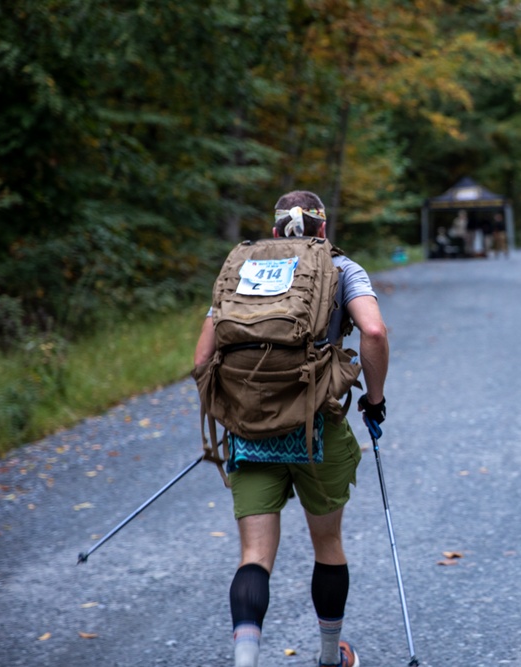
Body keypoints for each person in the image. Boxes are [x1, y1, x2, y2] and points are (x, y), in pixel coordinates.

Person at [193, 190, 389, 667]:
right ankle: (329, 657)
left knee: (254, 554)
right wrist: (375, 400)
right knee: (328, 542)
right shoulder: (342, 269)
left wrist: (232, 409)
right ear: (322, 227)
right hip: (316, 427)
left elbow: (202, 359)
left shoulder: (244, 268)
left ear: (276, 228)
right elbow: (375, 332)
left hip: (249, 428)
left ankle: (245, 661)